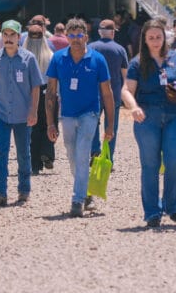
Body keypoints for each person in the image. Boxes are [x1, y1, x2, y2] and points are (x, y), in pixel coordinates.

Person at [122, 19, 176, 227]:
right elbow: (126, 90)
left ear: (165, 37)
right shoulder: (137, 63)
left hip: (174, 115)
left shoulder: (175, 58)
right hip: (147, 117)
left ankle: (172, 206)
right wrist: (133, 107)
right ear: (144, 40)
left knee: (175, 162)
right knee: (150, 165)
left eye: (158, 37)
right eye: (151, 38)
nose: (155, 41)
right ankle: (152, 212)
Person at [46, 17, 115, 217]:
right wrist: (50, 123)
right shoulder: (58, 58)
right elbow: (50, 92)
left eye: (79, 35)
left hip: (90, 113)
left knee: (83, 152)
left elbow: (107, 92)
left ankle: (77, 200)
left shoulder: (97, 59)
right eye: (72, 35)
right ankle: (85, 192)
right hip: (67, 114)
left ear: (86, 37)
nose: (76, 39)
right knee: (71, 154)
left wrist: (110, 124)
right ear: (66, 37)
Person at [0, 20, 42, 205]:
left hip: (23, 115)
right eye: (5, 35)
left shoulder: (29, 59)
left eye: (12, 35)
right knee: (0, 153)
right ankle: (0, 193)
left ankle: (24, 191)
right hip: (0, 114)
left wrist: (33, 111)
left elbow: (36, 87)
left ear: (19, 37)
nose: (8, 38)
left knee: (23, 153)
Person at [89, 18, 129, 163]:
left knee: (92, 123)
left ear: (100, 32)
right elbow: (125, 74)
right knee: (112, 126)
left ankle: (95, 151)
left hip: (94, 93)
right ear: (112, 32)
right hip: (114, 93)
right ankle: (108, 157)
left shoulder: (91, 48)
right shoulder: (120, 49)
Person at [22, 24, 56, 174]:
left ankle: (34, 164)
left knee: (32, 128)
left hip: (28, 93)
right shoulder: (51, 56)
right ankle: (47, 152)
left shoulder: (22, 56)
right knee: (49, 123)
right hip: (48, 91)